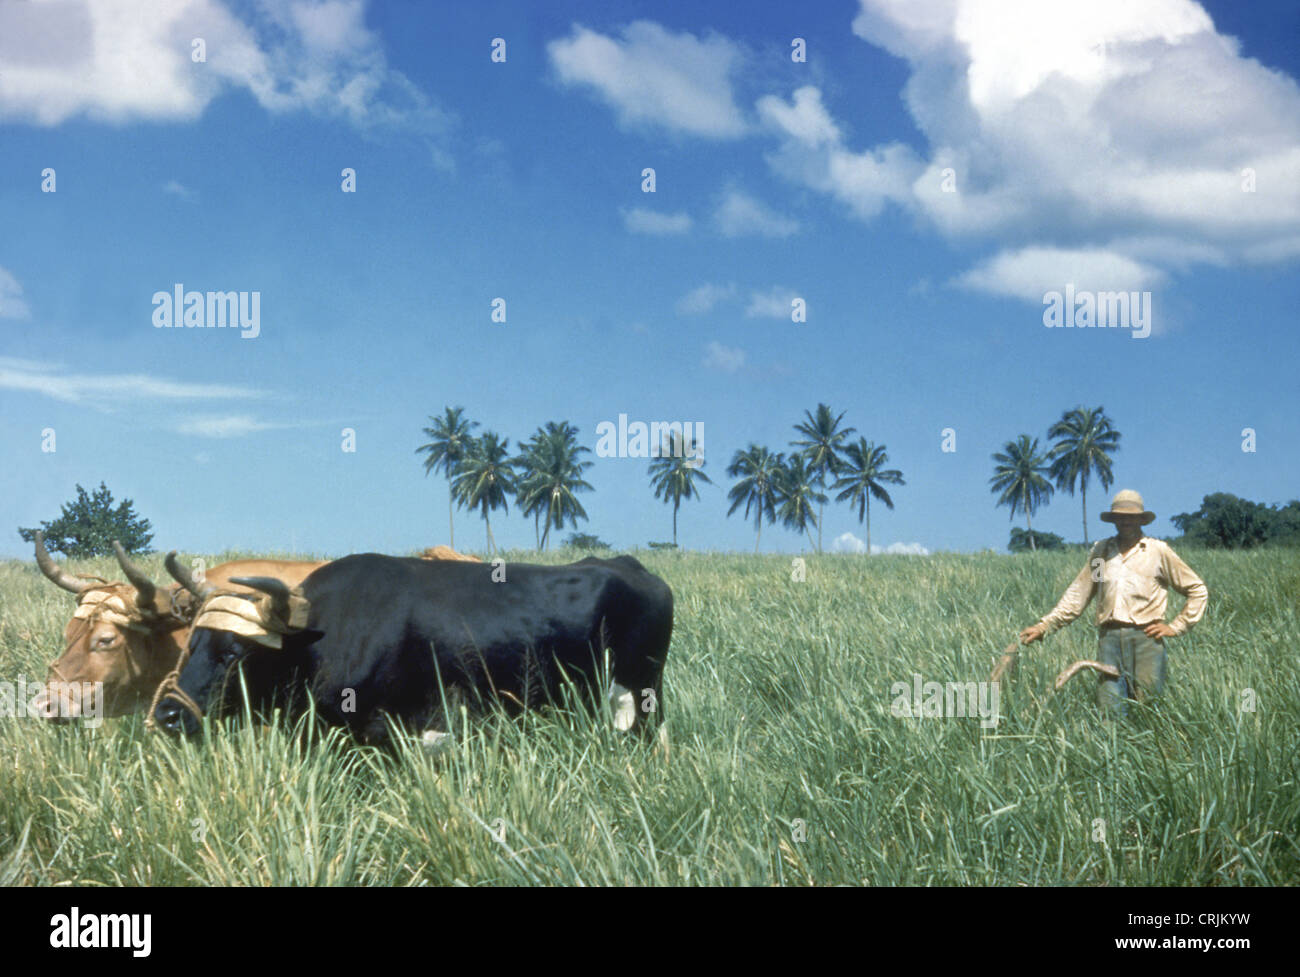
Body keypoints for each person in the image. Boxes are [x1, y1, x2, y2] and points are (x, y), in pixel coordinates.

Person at [1020, 489, 1208, 714]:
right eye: (1120, 516)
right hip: (1108, 640)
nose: (1125, 521)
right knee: (1109, 708)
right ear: (1114, 519)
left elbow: (1197, 589)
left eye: (1131, 516)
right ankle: (1111, 747)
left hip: (1147, 639)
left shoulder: (1157, 552)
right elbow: (1079, 594)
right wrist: (1045, 626)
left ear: (1140, 519)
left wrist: (1175, 627)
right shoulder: (1103, 553)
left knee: (1148, 708)